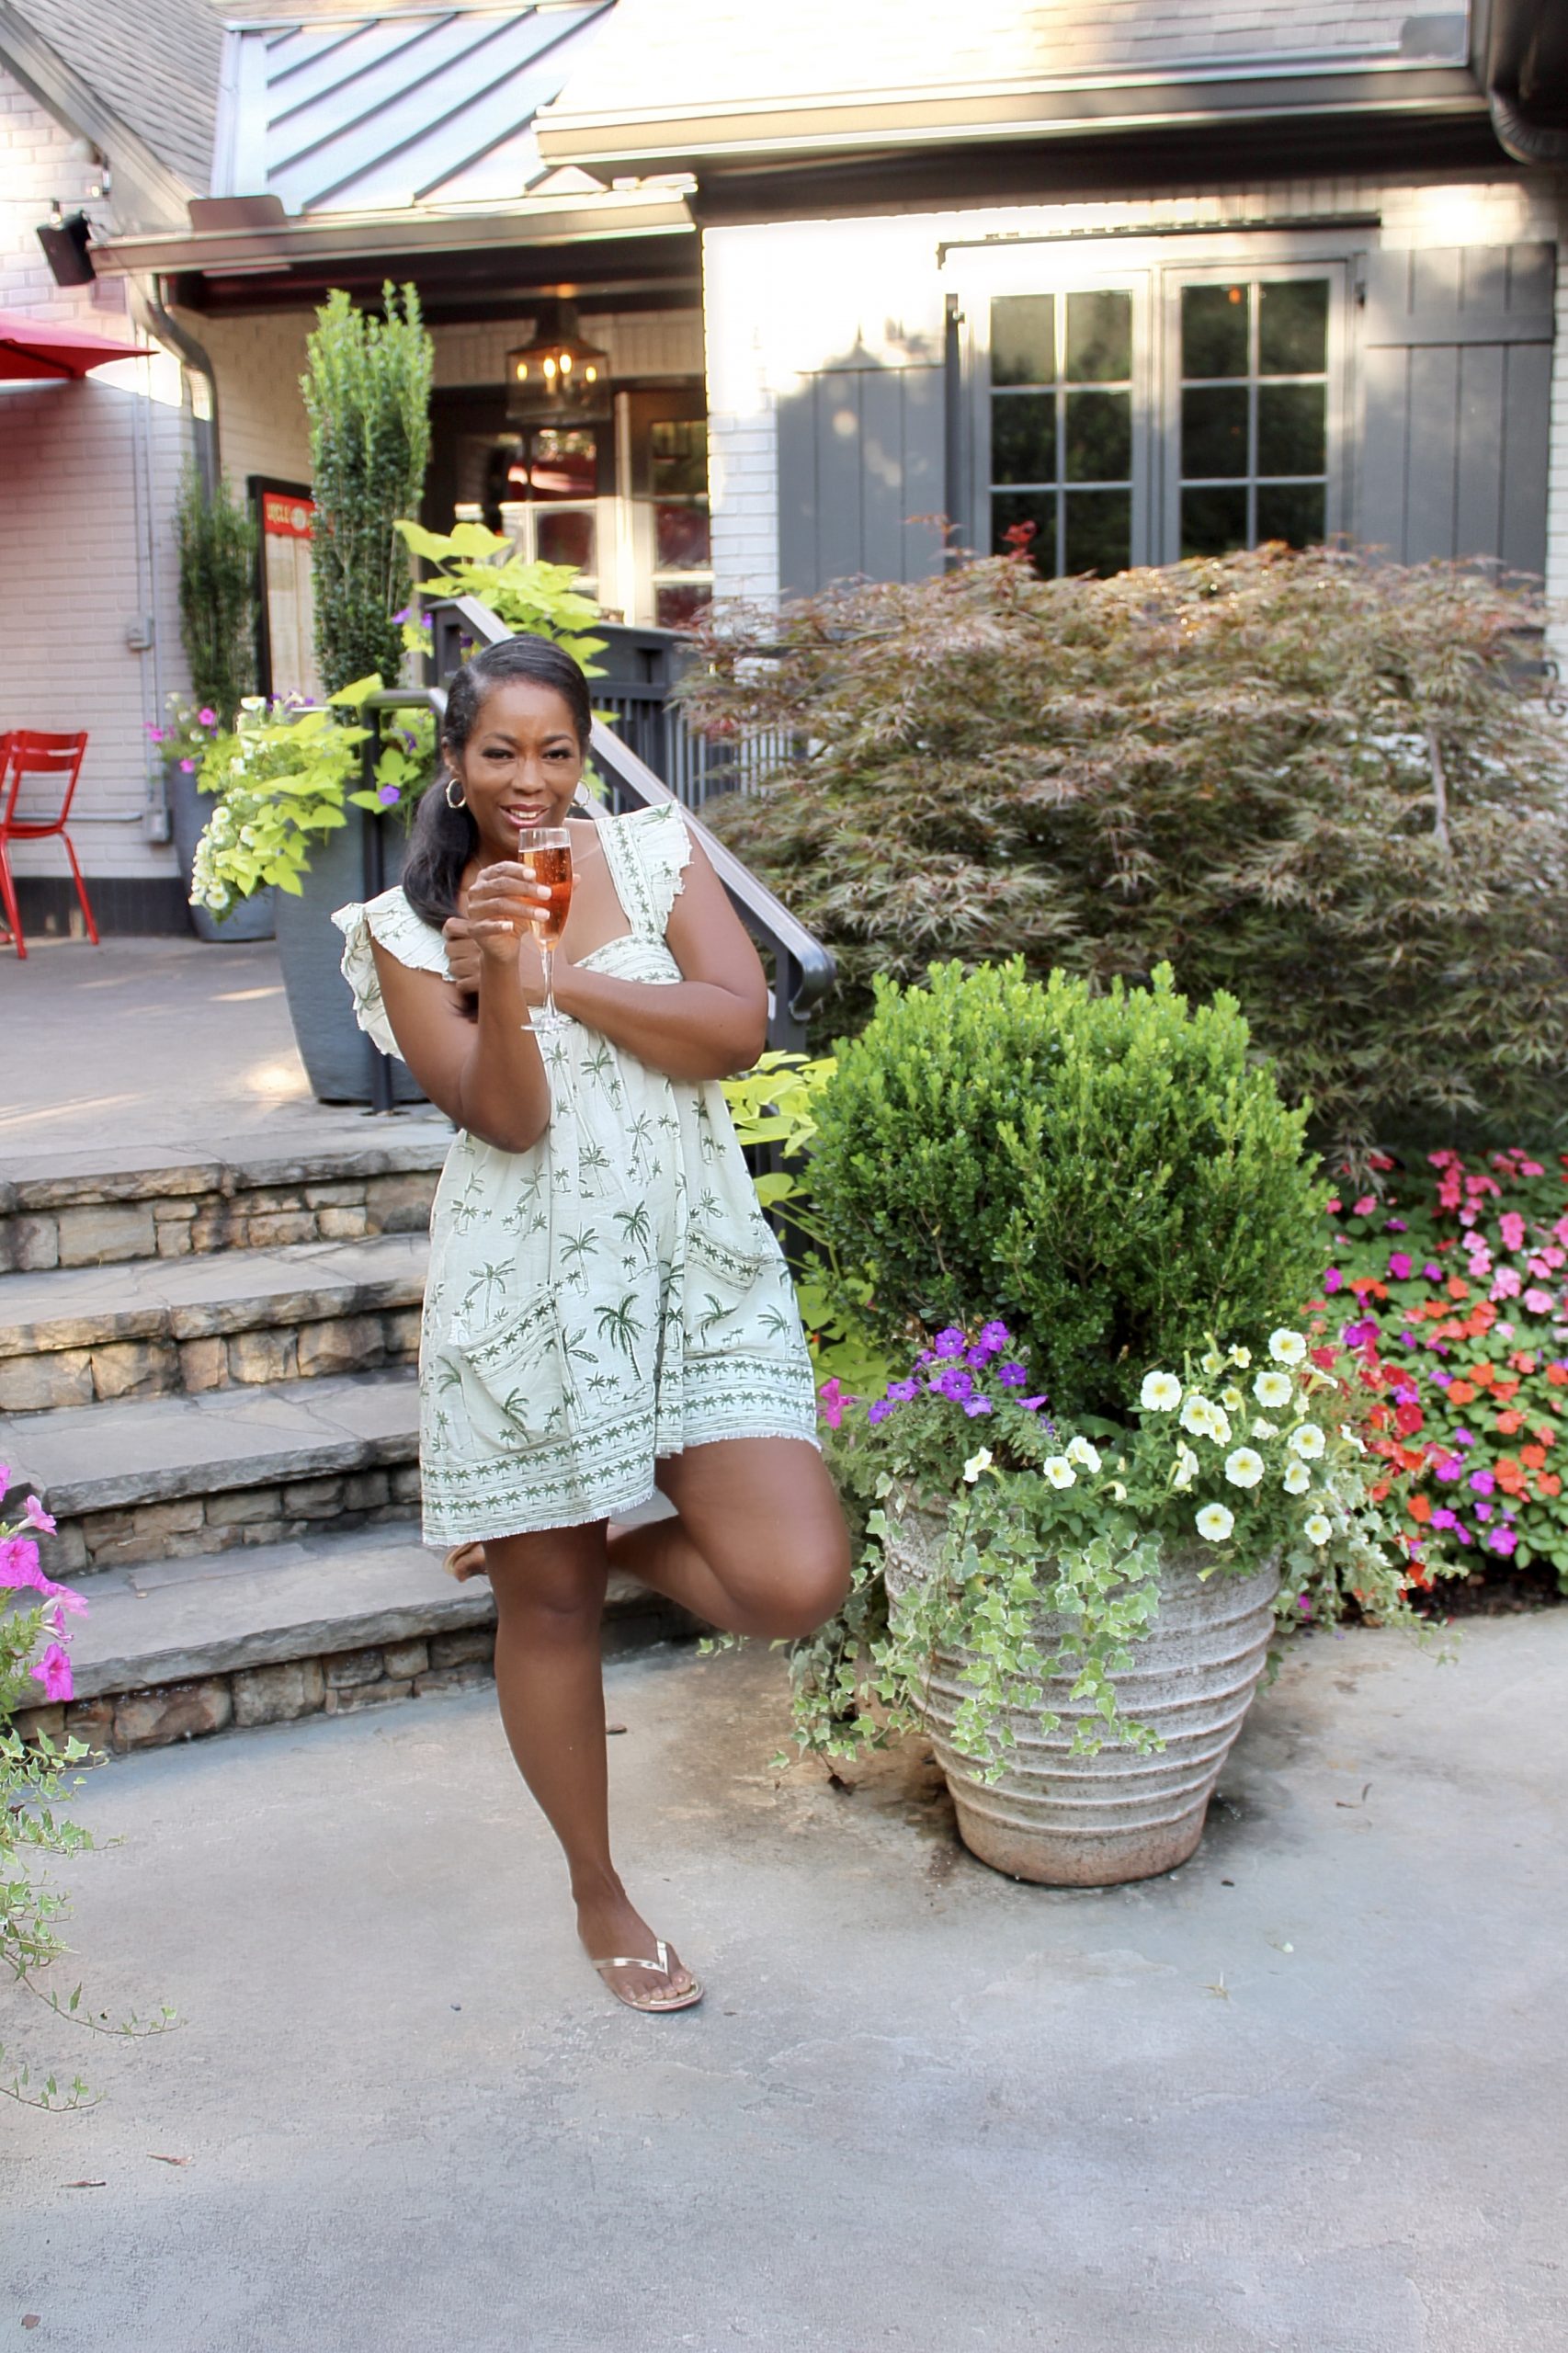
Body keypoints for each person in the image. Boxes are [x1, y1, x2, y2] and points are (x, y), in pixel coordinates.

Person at [334, 635, 849, 2015]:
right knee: (547, 1608)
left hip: (693, 1270)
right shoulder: (399, 933)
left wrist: (564, 977)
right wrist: (498, 975)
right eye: (499, 751)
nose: (530, 778)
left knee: (794, 1581)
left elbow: (734, 1028)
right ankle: (598, 1890)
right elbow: (508, 1119)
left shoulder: (655, 851)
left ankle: (606, 1536)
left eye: (555, 750)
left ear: (585, 754)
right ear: (457, 764)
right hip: (525, 1298)